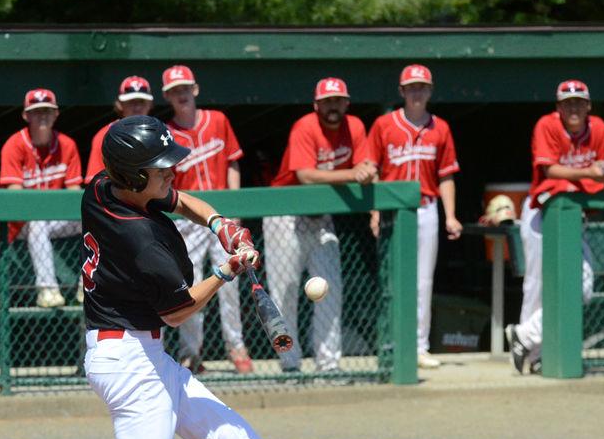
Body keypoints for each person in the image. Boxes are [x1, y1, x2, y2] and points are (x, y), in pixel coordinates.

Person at [0, 116, 345, 439]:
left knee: (232, 433)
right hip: (127, 360)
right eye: (160, 168)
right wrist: (225, 272)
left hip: (141, 354)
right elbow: (176, 312)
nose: (171, 173)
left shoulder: (102, 187)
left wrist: (220, 224)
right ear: (133, 177)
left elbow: (180, 200)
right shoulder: (141, 241)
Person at [505, 80, 604, 375]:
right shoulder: (547, 125)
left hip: (573, 216)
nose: (573, 107)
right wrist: (590, 173)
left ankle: (525, 336)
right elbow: (550, 169)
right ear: (558, 107)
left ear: (588, 106)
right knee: (536, 285)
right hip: (542, 212)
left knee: (581, 286)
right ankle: (536, 356)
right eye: (567, 103)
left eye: (579, 102)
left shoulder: (600, 129)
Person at [264, 77, 375, 374]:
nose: (333, 106)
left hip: (321, 216)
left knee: (331, 290)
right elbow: (306, 175)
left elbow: (367, 166)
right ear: (316, 105)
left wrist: (368, 170)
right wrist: (354, 173)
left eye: (338, 100)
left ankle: (328, 363)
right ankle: (290, 362)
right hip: (285, 213)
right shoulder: (306, 126)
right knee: (284, 293)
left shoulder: (355, 127)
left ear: (347, 103)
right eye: (327, 101)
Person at [365, 64, 462, 370]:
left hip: (426, 207)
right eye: (412, 87)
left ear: (430, 91)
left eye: (422, 87)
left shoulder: (441, 128)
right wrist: (375, 212)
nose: (417, 92)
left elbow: (446, 175)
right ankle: (391, 341)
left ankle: (418, 346)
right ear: (402, 92)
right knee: (391, 279)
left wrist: (451, 216)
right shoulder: (384, 124)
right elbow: (372, 171)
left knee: (423, 281)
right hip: (393, 212)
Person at [162, 64, 254, 374]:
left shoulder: (218, 120)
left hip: (223, 215)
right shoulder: (167, 134)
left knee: (230, 286)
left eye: (185, 88)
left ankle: (236, 346)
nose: (181, 94)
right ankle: (192, 352)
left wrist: (236, 209)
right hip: (188, 219)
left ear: (195, 89)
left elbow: (232, 162)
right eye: (175, 91)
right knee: (191, 285)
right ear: (167, 97)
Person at [0, 88, 84, 309]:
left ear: (56, 113)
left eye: (47, 111)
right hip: (25, 221)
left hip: (55, 219)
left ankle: (89, 284)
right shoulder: (15, 144)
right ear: (25, 115)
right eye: (36, 111)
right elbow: (16, 198)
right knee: (34, 220)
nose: (42, 116)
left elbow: (75, 194)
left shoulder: (67, 144)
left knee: (95, 217)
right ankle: (47, 290)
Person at [85, 76, 155, 182]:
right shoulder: (104, 135)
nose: (137, 107)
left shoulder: (160, 133)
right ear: (119, 104)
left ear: (150, 104)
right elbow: (95, 182)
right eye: (131, 102)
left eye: (141, 101)